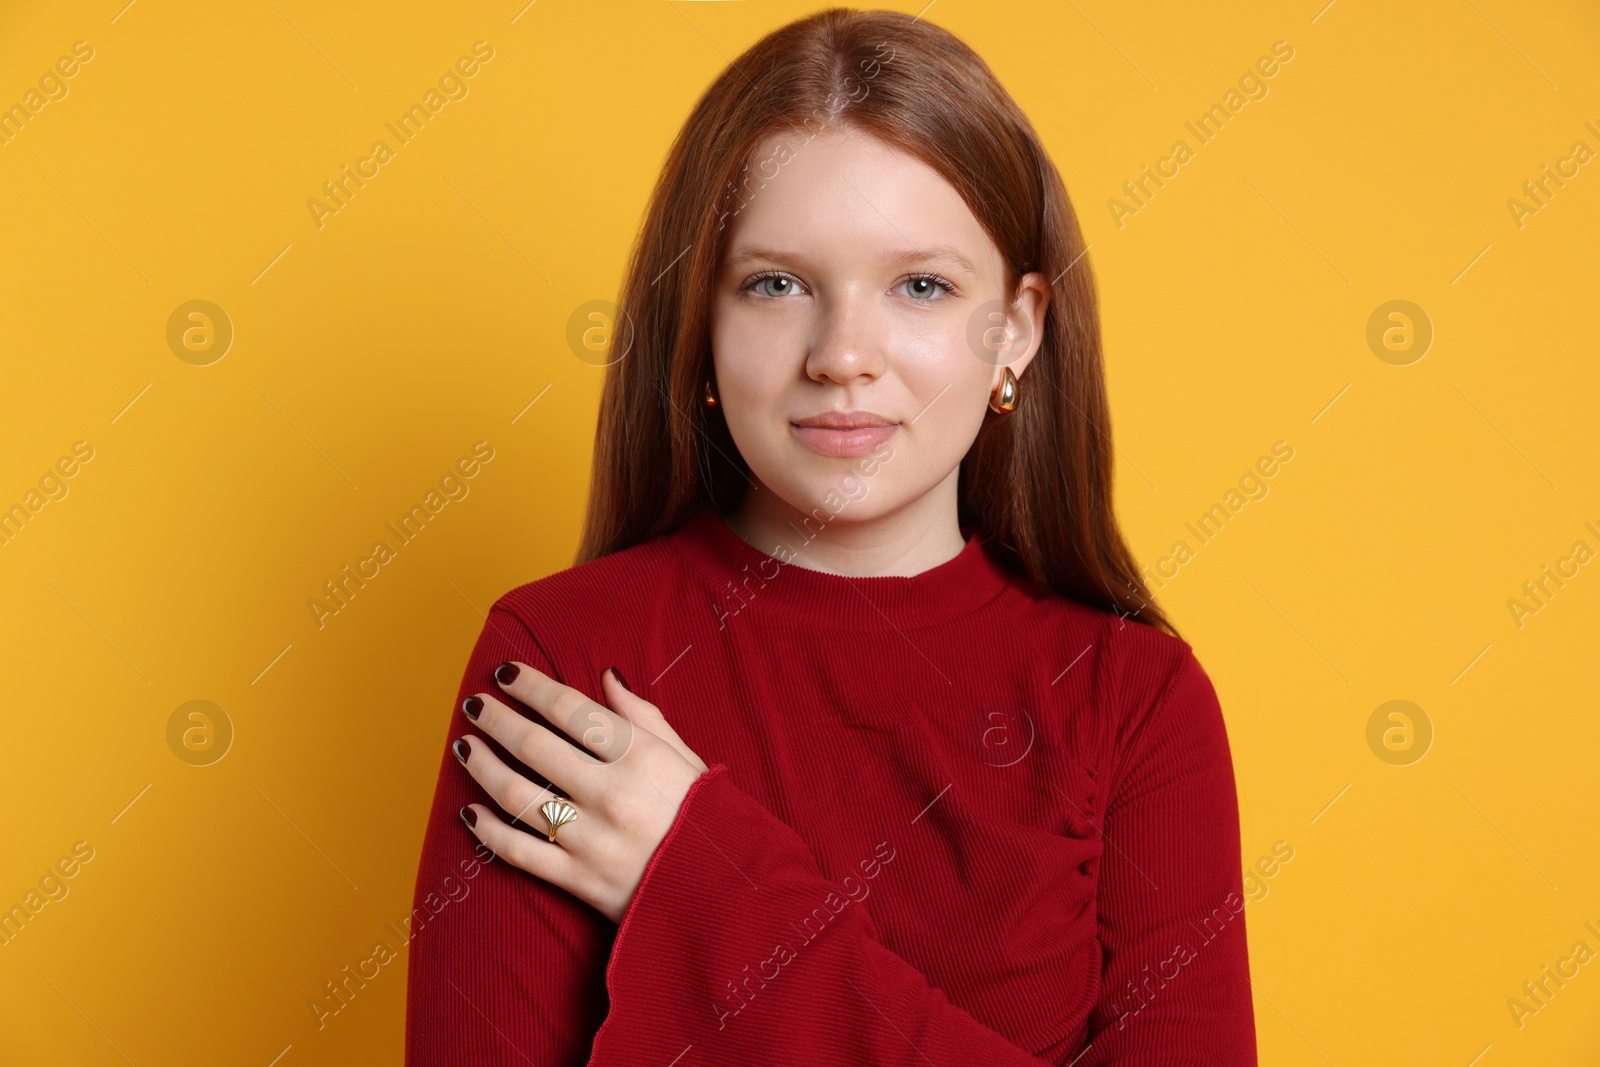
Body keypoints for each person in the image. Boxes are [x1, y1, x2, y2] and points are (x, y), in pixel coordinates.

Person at [405, 8, 1256, 1064]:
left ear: (1018, 330)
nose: (843, 353)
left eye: (920, 286)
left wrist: (713, 882)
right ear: (701, 328)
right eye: (776, 283)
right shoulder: (559, 663)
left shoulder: (1136, 700)